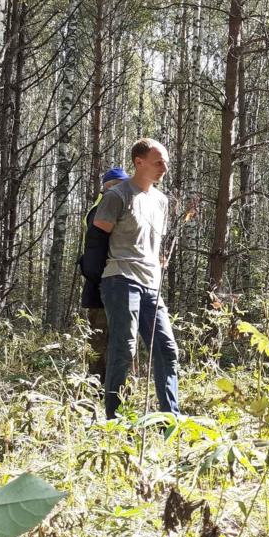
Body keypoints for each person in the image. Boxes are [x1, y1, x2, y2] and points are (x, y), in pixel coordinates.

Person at [92, 139, 179, 420]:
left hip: (152, 284)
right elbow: (97, 238)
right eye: (158, 162)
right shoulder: (117, 195)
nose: (164, 167)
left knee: (167, 349)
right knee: (124, 347)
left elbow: (153, 242)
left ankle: (170, 419)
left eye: (166, 161)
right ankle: (113, 420)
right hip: (120, 279)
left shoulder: (162, 201)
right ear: (138, 162)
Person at [78, 166, 130, 384]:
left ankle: (115, 387)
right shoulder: (101, 210)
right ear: (110, 187)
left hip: (110, 282)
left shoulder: (102, 207)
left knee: (118, 338)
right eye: (121, 186)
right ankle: (97, 388)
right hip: (102, 284)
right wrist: (102, 280)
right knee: (101, 340)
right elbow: (95, 252)